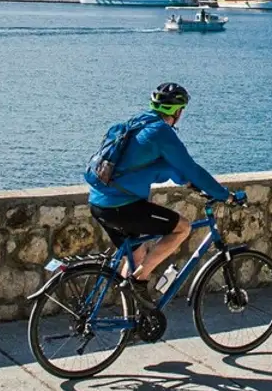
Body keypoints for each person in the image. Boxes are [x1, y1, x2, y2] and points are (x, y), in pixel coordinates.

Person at [85, 83, 243, 301]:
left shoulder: (138, 123)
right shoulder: (162, 132)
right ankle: (140, 279)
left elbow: (165, 168)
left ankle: (132, 315)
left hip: (98, 203)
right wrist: (226, 195)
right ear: (177, 112)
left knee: (137, 255)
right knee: (182, 228)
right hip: (122, 206)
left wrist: (187, 183)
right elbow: (192, 169)